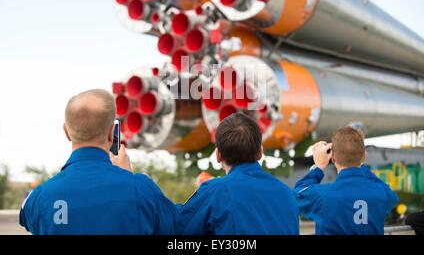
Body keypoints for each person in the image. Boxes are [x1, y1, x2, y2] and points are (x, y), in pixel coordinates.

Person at [19, 89, 177, 235]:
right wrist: (127, 180)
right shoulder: (141, 189)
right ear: (111, 134)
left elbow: (28, 218)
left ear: (67, 132)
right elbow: (178, 224)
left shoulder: (39, 197)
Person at [177, 112, 299, 235]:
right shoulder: (288, 194)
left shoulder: (214, 193)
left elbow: (178, 227)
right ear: (260, 153)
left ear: (218, 155)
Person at [295, 127, 399, 235]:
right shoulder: (382, 192)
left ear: (333, 157)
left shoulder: (322, 195)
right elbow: (391, 195)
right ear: (364, 156)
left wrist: (318, 166)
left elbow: (298, 193)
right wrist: (359, 161)